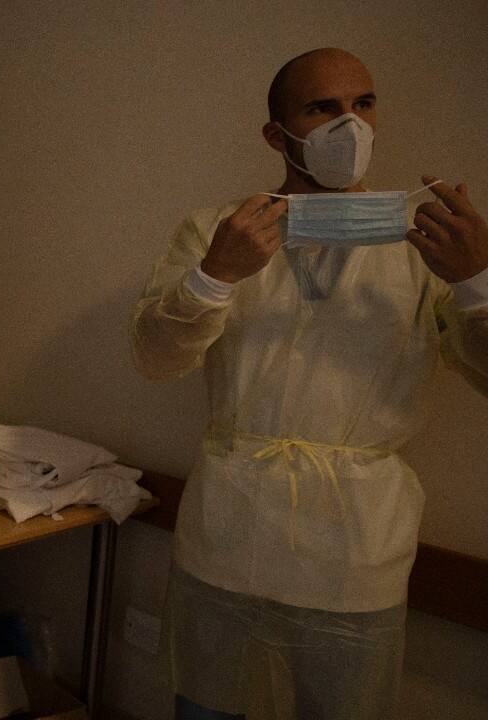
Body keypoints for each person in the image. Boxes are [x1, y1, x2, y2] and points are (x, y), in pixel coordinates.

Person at [131, 48, 488, 720]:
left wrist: (476, 282)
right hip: (228, 536)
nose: (347, 125)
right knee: (207, 709)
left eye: (363, 104)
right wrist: (215, 275)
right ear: (277, 133)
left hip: (356, 552)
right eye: (321, 108)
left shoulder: (425, 247)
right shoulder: (217, 231)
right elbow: (156, 356)